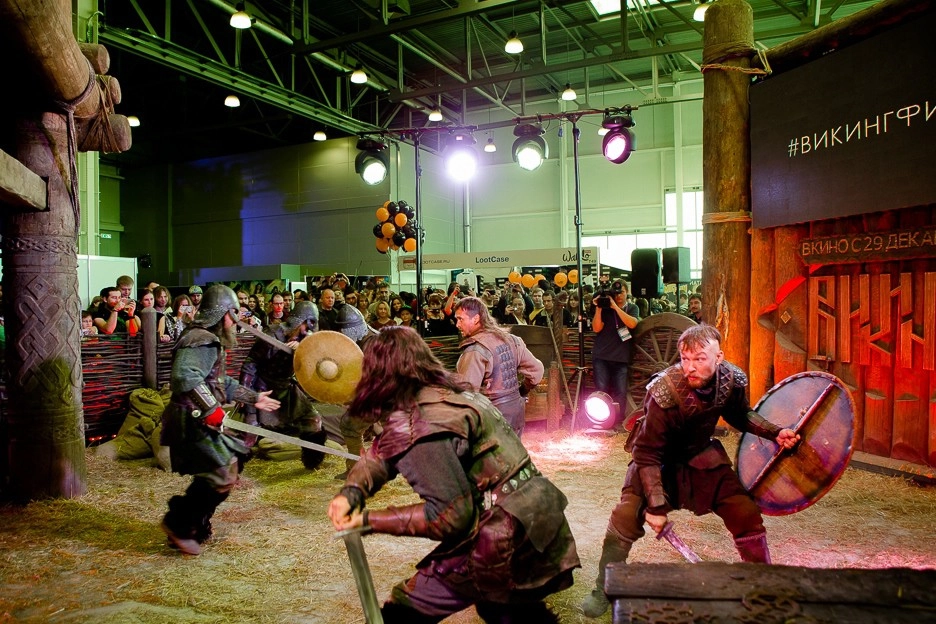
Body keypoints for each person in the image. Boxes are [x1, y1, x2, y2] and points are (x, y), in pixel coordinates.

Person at [327, 327, 579, 623]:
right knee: (503, 606)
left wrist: (367, 521)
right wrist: (352, 492)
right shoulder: (455, 393)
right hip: (535, 512)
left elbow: (451, 516)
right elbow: (383, 451)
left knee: (406, 612)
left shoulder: (421, 420)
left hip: (503, 531)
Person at [580, 324, 801, 617]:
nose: (690, 367)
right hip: (656, 464)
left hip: (701, 457)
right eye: (685, 359)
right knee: (624, 518)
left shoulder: (730, 379)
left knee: (744, 512)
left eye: (699, 359)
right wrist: (656, 507)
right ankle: (603, 588)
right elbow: (646, 452)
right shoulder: (664, 391)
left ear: (718, 357)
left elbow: (739, 414)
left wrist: (774, 432)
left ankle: (763, 586)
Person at [159, 285, 281, 556]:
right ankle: (180, 526)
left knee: (228, 466)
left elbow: (219, 382)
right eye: (234, 314)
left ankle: (193, 524)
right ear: (225, 313)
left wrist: (254, 397)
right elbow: (185, 377)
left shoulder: (209, 339)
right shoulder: (201, 339)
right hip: (191, 419)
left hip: (198, 417)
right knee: (222, 473)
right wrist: (212, 409)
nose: (236, 321)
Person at [238, 301, 329, 469]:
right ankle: (229, 472)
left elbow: (316, 361)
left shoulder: (306, 339)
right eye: (307, 324)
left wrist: (302, 349)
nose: (308, 329)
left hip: (286, 386)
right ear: (299, 321)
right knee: (250, 431)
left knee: (313, 420)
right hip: (262, 386)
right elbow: (251, 363)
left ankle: (312, 462)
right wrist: (245, 392)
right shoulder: (272, 334)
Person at [453, 297, 544, 437]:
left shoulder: (475, 350)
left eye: (460, 319)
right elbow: (537, 370)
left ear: (476, 319)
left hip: (491, 417)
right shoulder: (512, 339)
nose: (457, 324)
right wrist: (522, 390)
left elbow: (467, 395)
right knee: (515, 451)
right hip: (516, 411)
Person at [590, 280, 640, 426]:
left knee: (620, 392)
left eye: (621, 292)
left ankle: (618, 422)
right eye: (616, 293)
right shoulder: (605, 308)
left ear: (627, 292)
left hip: (621, 357)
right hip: (601, 355)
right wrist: (599, 307)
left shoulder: (632, 308)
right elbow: (596, 328)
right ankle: (602, 421)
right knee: (601, 390)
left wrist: (615, 307)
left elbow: (632, 324)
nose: (618, 296)